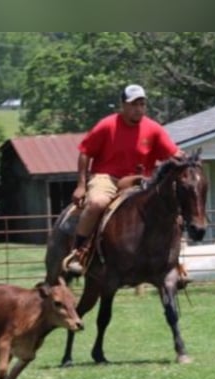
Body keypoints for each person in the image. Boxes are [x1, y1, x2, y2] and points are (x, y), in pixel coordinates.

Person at [63, 84, 184, 276]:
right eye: (134, 104)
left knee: (171, 210)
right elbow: (85, 153)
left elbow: (173, 152)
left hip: (143, 181)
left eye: (142, 104)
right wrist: (81, 185)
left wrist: (187, 160)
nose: (139, 109)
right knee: (97, 203)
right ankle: (79, 253)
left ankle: (173, 262)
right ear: (123, 105)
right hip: (107, 178)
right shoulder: (107, 125)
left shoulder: (153, 129)